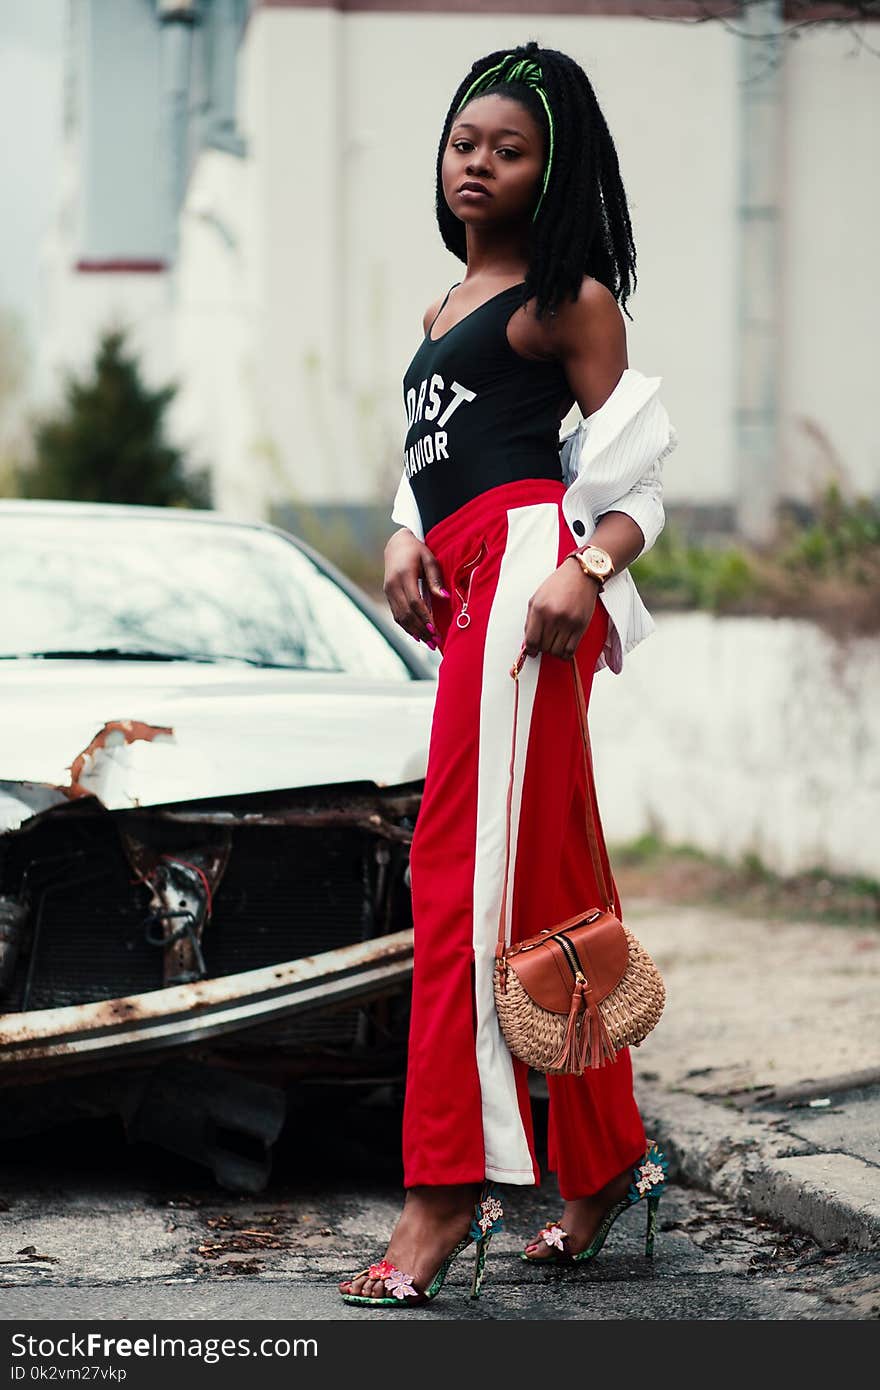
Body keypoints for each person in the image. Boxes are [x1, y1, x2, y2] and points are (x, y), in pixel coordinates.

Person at [339, 40, 677, 1309]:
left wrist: (580, 571)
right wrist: (399, 537)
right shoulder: (442, 310)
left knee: (457, 884)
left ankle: (442, 1194)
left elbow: (639, 481)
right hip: (470, 579)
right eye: (463, 142)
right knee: (542, 884)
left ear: (553, 169)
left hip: (534, 583)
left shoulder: (566, 298)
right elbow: (427, 460)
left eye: (509, 148)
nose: (476, 162)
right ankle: (601, 1164)